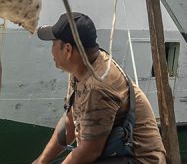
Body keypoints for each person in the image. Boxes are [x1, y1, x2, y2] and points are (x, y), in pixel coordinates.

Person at [33, 13, 167, 164]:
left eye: (53, 44)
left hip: (140, 159)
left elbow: (90, 151)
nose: (51, 50)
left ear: (68, 50)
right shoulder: (82, 67)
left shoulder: (98, 87)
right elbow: (70, 120)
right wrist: (41, 161)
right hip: (115, 152)